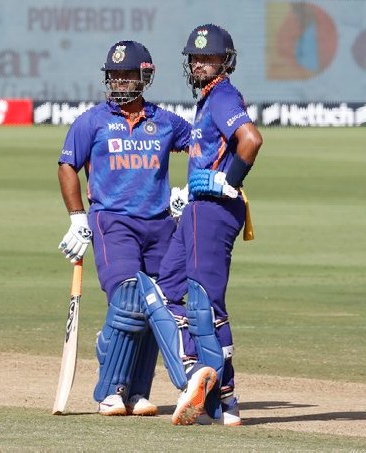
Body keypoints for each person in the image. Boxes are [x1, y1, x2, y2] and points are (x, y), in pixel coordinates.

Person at [57, 40, 211, 419]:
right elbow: (67, 166)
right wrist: (77, 217)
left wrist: (190, 189)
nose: (120, 82)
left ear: (145, 76)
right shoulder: (92, 122)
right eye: (115, 75)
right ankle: (111, 391)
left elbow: (203, 147)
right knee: (128, 300)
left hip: (160, 225)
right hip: (113, 222)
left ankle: (138, 391)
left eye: (127, 75)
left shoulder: (166, 122)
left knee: (160, 303)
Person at [135, 23, 263, 426]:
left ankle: (226, 397)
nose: (200, 64)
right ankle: (197, 374)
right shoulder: (208, 99)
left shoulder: (222, 96)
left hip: (214, 209)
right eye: (195, 58)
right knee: (167, 289)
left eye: (209, 58)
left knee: (206, 302)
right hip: (197, 206)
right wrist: (189, 191)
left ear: (225, 61)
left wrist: (229, 181)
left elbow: (251, 140)